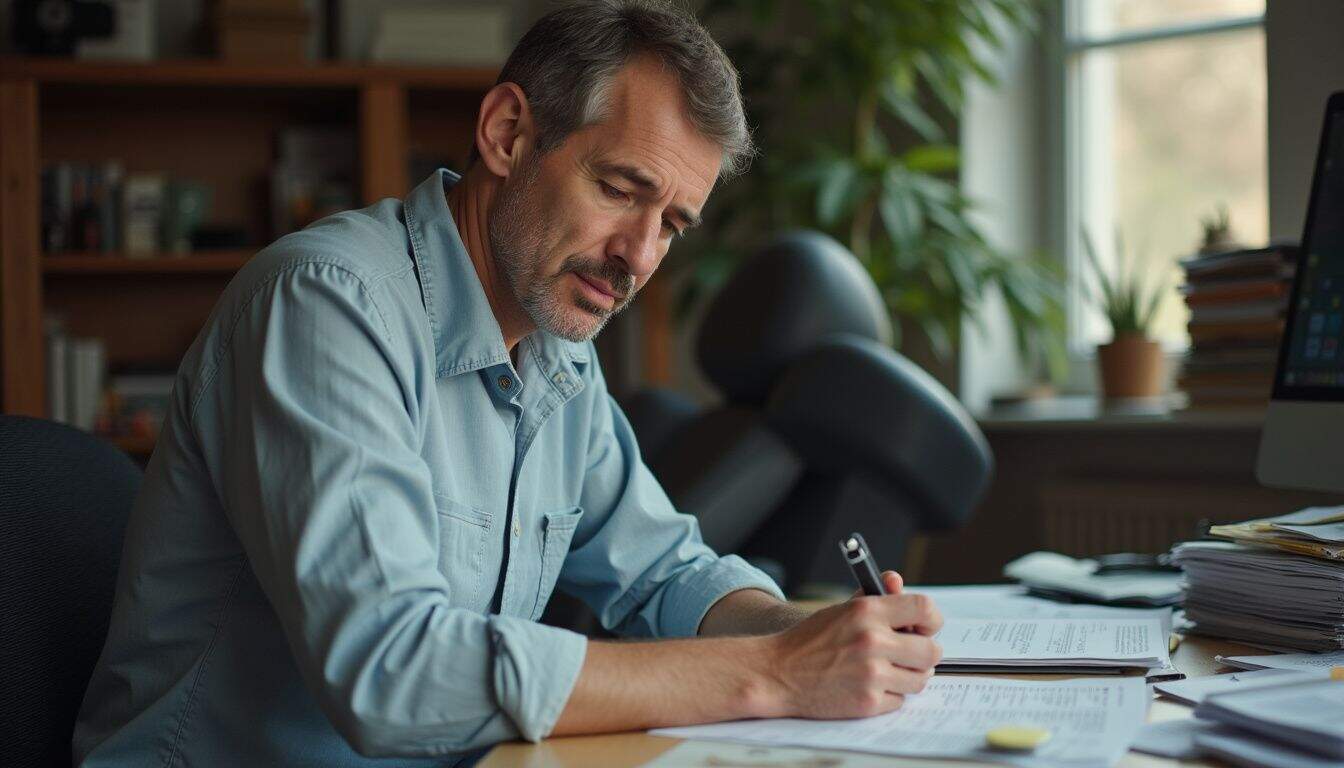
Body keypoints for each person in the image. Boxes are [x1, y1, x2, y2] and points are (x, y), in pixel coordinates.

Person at [72, 2, 942, 766]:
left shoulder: (556, 352)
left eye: (672, 224)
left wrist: (810, 632)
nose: (639, 257)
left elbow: (661, 573)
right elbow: (390, 673)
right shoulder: (326, 306)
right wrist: (771, 675)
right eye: (619, 189)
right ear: (507, 133)